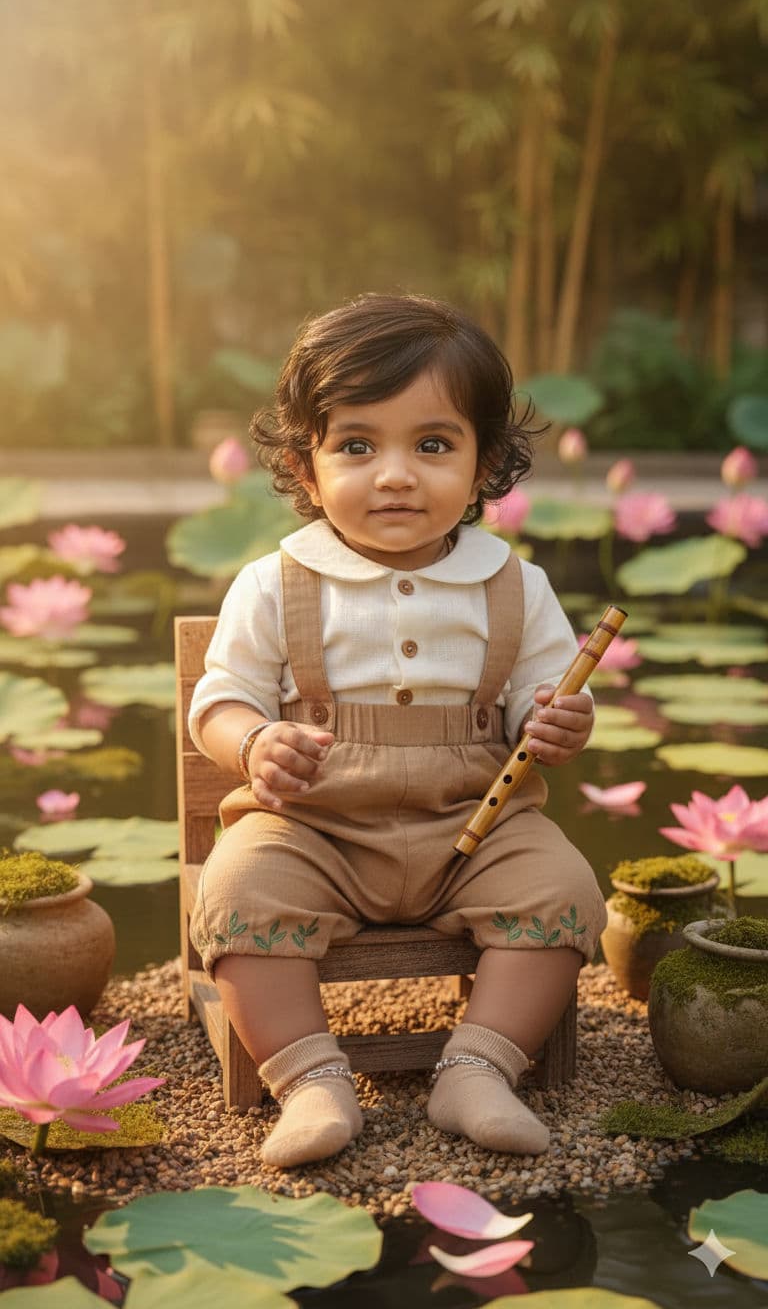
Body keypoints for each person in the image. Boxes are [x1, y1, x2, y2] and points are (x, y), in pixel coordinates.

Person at [188, 292, 607, 1170]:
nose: (395, 475)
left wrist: (558, 722)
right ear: (306, 470)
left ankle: (477, 1068)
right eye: (356, 446)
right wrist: (255, 744)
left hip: (476, 826)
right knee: (237, 893)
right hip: (316, 827)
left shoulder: (515, 585)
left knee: (563, 888)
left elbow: (541, 703)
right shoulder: (274, 583)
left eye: (433, 445)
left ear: (485, 465)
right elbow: (220, 701)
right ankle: (309, 1080)